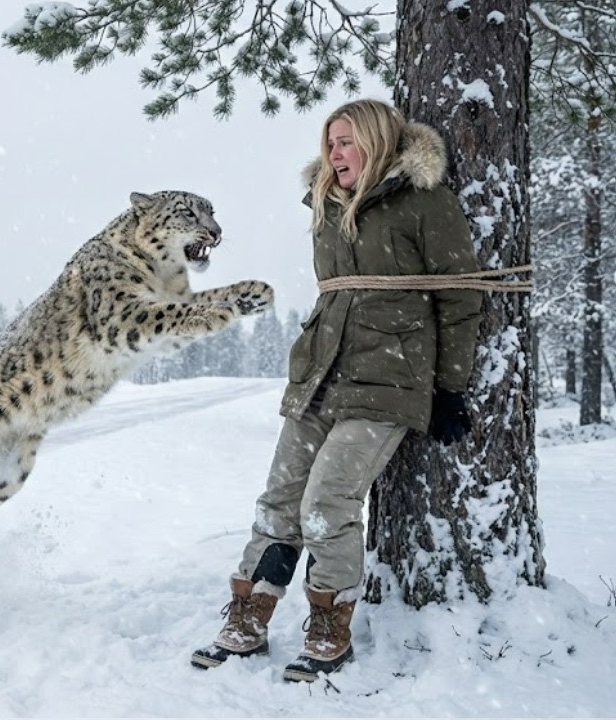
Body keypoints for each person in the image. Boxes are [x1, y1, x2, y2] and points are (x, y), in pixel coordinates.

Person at [190, 99, 484, 682]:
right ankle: (250, 613)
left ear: (375, 141)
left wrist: (449, 389)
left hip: (388, 380)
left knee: (327, 503)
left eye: (346, 142)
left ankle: (331, 624)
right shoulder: (325, 205)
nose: (334, 153)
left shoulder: (424, 201)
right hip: (321, 376)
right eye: (330, 143)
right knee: (279, 501)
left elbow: (460, 297)